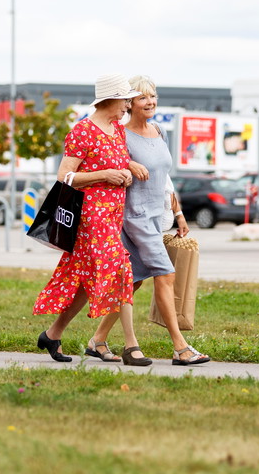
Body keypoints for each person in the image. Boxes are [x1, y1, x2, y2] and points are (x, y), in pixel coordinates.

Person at [88, 75, 210, 366]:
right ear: (129, 103)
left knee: (133, 284)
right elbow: (106, 160)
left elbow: (164, 176)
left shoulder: (159, 130)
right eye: (143, 97)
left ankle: (97, 340)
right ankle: (180, 347)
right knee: (165, 275)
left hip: (157, 216)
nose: (151, 102)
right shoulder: (119, 134)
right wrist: (128, 163)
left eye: (153, 96)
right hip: (134, 216)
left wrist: (178, 213)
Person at [32, 73, 153, 366]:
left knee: (86, 281)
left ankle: (53, 334)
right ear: (111, 100)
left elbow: (115, 160)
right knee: (123, 269)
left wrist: (129, 166)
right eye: (125, 100)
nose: (128, 106)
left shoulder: (116, 130)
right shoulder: (82, 131)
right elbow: (65, 177)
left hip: (112, 216)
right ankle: (131, 347)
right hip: (90, 217)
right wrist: (104, 176)